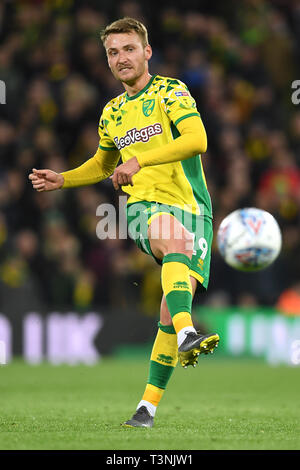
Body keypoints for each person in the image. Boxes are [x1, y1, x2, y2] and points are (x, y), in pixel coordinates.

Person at [29, 17, 219, 428]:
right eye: (113, 52)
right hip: (143, 206)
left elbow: (198, 139)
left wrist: (139, 158)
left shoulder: (171, 91)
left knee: (170, 309)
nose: (121, 58)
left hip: (194, 209)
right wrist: (63, 179)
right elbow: (102, 164)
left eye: (128, 49)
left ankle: (146, 409)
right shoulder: (112, 112)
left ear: (147, 51)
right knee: (172, 241)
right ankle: (190, 332)